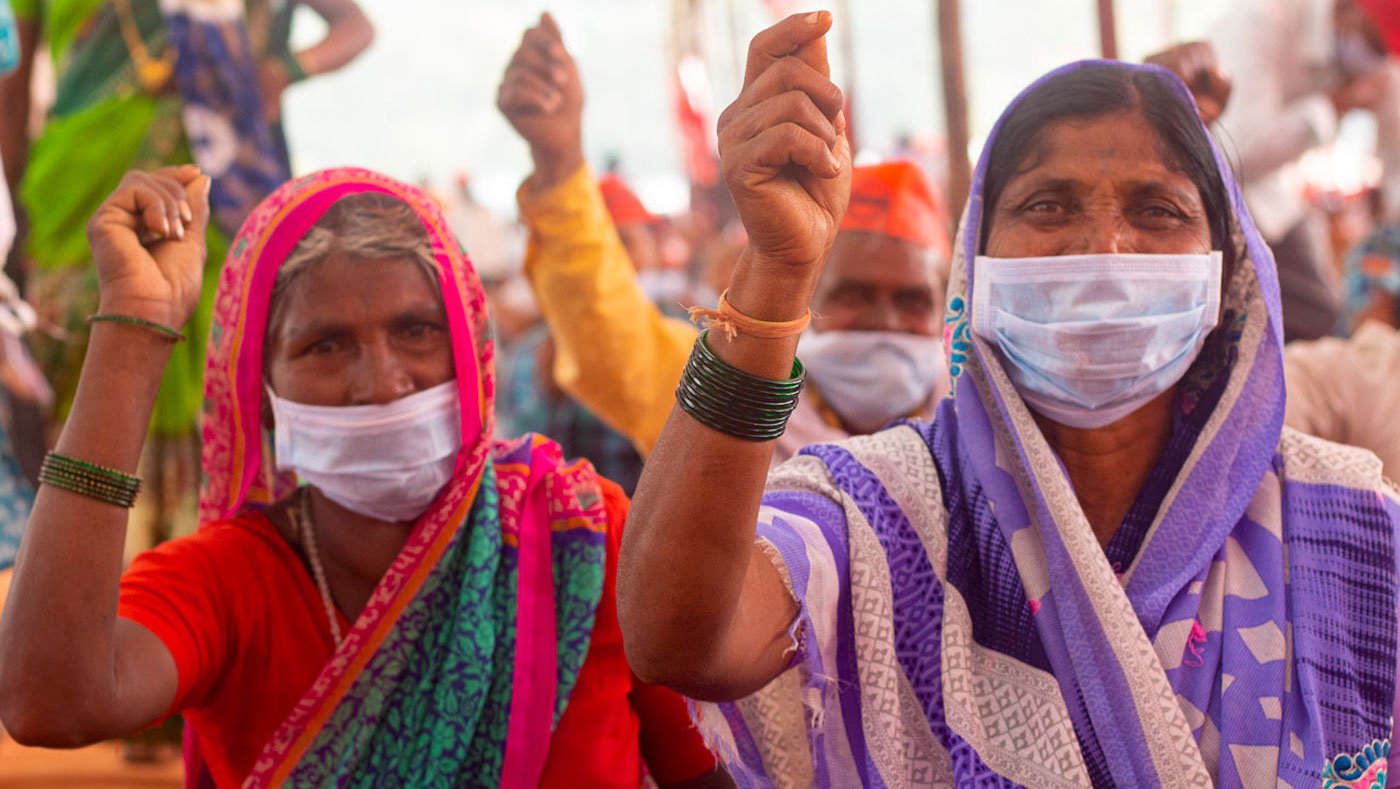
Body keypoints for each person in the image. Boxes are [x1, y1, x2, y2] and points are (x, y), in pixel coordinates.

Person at [618, 13, 1400, 787]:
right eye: (1047, 205)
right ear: (975, 267)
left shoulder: (1349, 521)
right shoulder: (882, 511)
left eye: (1157, 210)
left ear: (1225, 274)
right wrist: (776, 271)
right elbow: (680, 639)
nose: (1104, 247)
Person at [0, 166, 725, 787]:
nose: (381, 382)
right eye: (325, 344)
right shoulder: (226, 579)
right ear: (265, 393)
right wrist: (135, 323)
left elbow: (708, 769)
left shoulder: (580, 536)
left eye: (416, 330)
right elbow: (50, 701)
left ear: (472, 349)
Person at [0, 0, 373, 555]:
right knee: (78, 388)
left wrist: (280, 72)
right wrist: (12, 227)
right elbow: (14, 88)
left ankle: (200, 568)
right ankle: (82, 566)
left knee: (220, 382)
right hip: (74, 189)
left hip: (218, 193)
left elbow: (356, 27)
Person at [499, 14, 951, 464]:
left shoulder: (979, 423)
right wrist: (558, 163)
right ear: (808, 301)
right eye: (854, 294)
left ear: (945, 308)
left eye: (912, 301)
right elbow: (609, 337)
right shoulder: (721, 396)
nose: (884, 322)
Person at [1150, 0, 1400, 342]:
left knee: (1322, 326)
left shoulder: (1374, 62)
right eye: (1372, 41)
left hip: (1279, 203)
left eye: (1385, 51)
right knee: (1237, 336)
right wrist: (1332, 106)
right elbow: (1238, 152)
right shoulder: (1261, 23)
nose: (1375, 56)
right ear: (1348, 9)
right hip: (1218, 202)